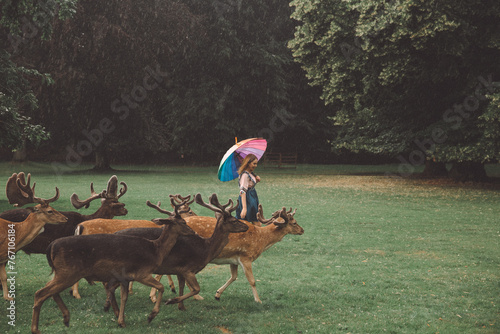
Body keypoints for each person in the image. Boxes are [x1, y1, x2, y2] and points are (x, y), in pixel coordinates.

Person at [236, 154, 261, 222]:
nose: (255, 165)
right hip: (247, 199)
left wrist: (257, 180)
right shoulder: (245, 175)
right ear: (248, 163)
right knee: (252, 221)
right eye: (254, 163)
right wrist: (244, 208)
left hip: (252, 197)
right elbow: (242, 191)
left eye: (256, 164)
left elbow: (249, 184)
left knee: (255, 220)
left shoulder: (250, 173)